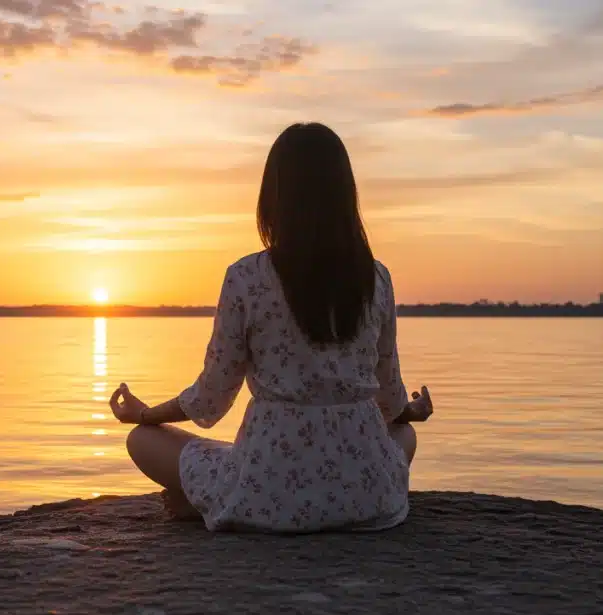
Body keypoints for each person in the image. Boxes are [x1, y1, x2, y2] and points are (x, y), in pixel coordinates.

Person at [109, 122, 433, 533]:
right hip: (367, 499)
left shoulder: (246, 277)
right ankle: (220, 495)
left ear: (274, 196)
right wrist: (411, 411)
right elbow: (388, 398)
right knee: (404, 433)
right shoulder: (376, 278)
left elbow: (210, 397)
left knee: (141, 439)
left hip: (267, 493)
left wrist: (145, 413)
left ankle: (205, 499)